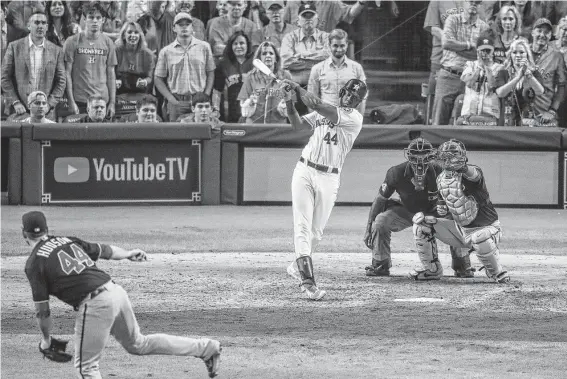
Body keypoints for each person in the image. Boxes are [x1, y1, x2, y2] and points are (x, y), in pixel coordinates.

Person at [21, 211, 221, 378]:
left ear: (24, 234)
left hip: (95, 303)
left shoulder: (34, 263)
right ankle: (205, 348)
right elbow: (105, 251)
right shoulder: (67, 241)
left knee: (87, 368)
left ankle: (206, 349)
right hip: (115, 291)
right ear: (47, 230)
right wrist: (127, 253)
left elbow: (43, 312)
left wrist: (46, 339)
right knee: (138, 344)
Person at [283, 77, 367, 300]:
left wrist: (297, 87)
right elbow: (297, 126)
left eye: (354, 97)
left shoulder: (353, 118)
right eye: (348, 92)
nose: (349, 97)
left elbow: (316, 104)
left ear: (358, 102)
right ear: (342, 92)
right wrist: (290, 102)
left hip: (329, 177)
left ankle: (296, 266)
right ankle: (307, 282)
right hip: (304, 170)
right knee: (302, 227)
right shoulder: (325, 110)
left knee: (316, 232)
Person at [364, 137, 473, 279]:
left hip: (435, 211)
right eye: (415, 158)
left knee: (456, 219)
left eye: (424, 158)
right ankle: (380, 264)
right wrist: (368, 227)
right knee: (380, 222)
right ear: (409, 156)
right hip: (407, 210)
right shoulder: (396, 172)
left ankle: (462, 264)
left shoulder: (442, 171)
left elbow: (456, 199)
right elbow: (380, 200)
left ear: (431, 157)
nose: (420, 163)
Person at [411, 139, 510, 284]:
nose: (450, 160)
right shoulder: (441, 179)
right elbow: (444, 204)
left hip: (488, 228)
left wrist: (462, 167)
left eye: (454, 156)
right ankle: (431, 270)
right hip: (461, 230)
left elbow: (474, 175)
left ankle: (497, 272)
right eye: (447, 156)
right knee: (421, 224)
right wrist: (440, 209)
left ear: (462, 156)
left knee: (479, 237)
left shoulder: (472, 172)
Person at [432, 0, 489, 126]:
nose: (473, 4)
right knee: (439, 121)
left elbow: (481, 54)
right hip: (448, 75)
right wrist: (470, 45)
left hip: (471, 80)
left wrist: (457, 47)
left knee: (464, 121)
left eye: (477, 2)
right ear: (463, 2)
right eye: (470, 1)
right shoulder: (452, 20)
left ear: (480, 6)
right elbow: (446, 43)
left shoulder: (485, 28)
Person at [1, 11, 66, 118]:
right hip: (19, 110)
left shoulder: (56, 51)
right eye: (36, 22)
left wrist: (49, 104)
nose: (40, 26)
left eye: (43, 23)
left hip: (46, 112)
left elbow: (61, 81)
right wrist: (15, 101)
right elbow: (4, 77)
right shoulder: (14, 47)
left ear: (47, 27)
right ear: (29, 26)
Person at [154, 12, 215, 122]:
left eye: (187, 24)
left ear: (192, 27)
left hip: (199, 102)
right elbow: (158, 78)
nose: (184, 27)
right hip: (177, 102)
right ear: (174, 28)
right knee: (176, 136)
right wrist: (171, 99)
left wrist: (206, 95)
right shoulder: (166, 51)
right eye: (180, 24)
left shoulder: (204, 47)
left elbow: (210, 72)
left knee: (200, 133)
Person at [63, 2, 118, 117]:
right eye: (91, 17)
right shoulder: (72, 41)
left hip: (102, 100)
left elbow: (111, 74)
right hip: (80, 99)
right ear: (85, 19)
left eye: (98, 18)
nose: (95, 21)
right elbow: (66, 73)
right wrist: (71, 101)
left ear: (103, 20)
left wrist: (112, 102)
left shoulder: (108, 43)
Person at [280, 3, 330, 115]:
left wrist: (302, 56)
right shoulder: (289, 38)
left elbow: (329, 58)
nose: (308, 19)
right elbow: (287, 62)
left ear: (317, 19)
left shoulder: (326, 37)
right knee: (298, 126)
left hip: (322, 89)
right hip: (296, 88)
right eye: (304, 16)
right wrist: (317, 60)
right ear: (298, 21)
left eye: (311, 16)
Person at [308, 28, 367, 115]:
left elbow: (362, 97)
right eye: (335, 46)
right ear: (329, 45)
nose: (339, 49)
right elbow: (312, 98)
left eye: (342, 46)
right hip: (325, 119)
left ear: (347, 45)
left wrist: (358, 120)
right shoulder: (317, 69)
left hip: (348, 118)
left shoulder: (357, 68)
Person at [238, 40, 292, 123]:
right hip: (255, 125)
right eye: (264, 53)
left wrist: (285, 105)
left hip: (278, 126)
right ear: (259, 59)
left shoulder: (286, 76)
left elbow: (291, 103)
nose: (268, 55)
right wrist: (250, 102)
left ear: (276, 58)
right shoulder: (250, 76)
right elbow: (243, 105)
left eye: (271, 53)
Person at [526, 17, 566, 127]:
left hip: (544, 114)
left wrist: (552, 110)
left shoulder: (557, 56)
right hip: (522, 112)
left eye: (547, 32)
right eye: (539, 30)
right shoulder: (522, 51)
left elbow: (561, 86)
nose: (542, 35)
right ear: (532, 32)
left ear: (550, 35)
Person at [457, 33, 504, 125]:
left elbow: (492, 86)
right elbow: (469, 84)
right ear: (477, 51)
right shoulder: (470, 64)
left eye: (488, 50)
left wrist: (486, 67)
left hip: (489, 115)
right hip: (468, 115)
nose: (485, 53)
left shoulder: (499, 67)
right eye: (482, 50)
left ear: (493, 51)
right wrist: (479, 67)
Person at [495, 37, 544, 126]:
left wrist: (529, 75)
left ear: (527, 55)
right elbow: (500, 93)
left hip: (528, 121)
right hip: (506, 121)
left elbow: (540, 91)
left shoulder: (534, 73)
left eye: (521, 52)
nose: (518, 55)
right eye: (514, 52)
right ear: (511, 55)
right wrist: (517, 78)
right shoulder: (503, 72)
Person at [213, 30, 254, 122]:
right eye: (235, 44)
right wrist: (215, 109)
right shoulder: (223, 64)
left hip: (252, 112)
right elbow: (217, 91)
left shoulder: (255, 63)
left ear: (247, 45)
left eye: (242, 43)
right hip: (230, 113)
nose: (238, 46)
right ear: (231, 46)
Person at [114, 21, 155, 96]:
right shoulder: (116, 51)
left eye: (136, 32)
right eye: (129, 32)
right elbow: (110, 73)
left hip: (141, 93)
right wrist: (114, 81)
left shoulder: (148, 54)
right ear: (123, 35)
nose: (133, 35)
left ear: (140, 36)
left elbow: (150, 77)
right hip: (119, 93)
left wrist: (144, 81)